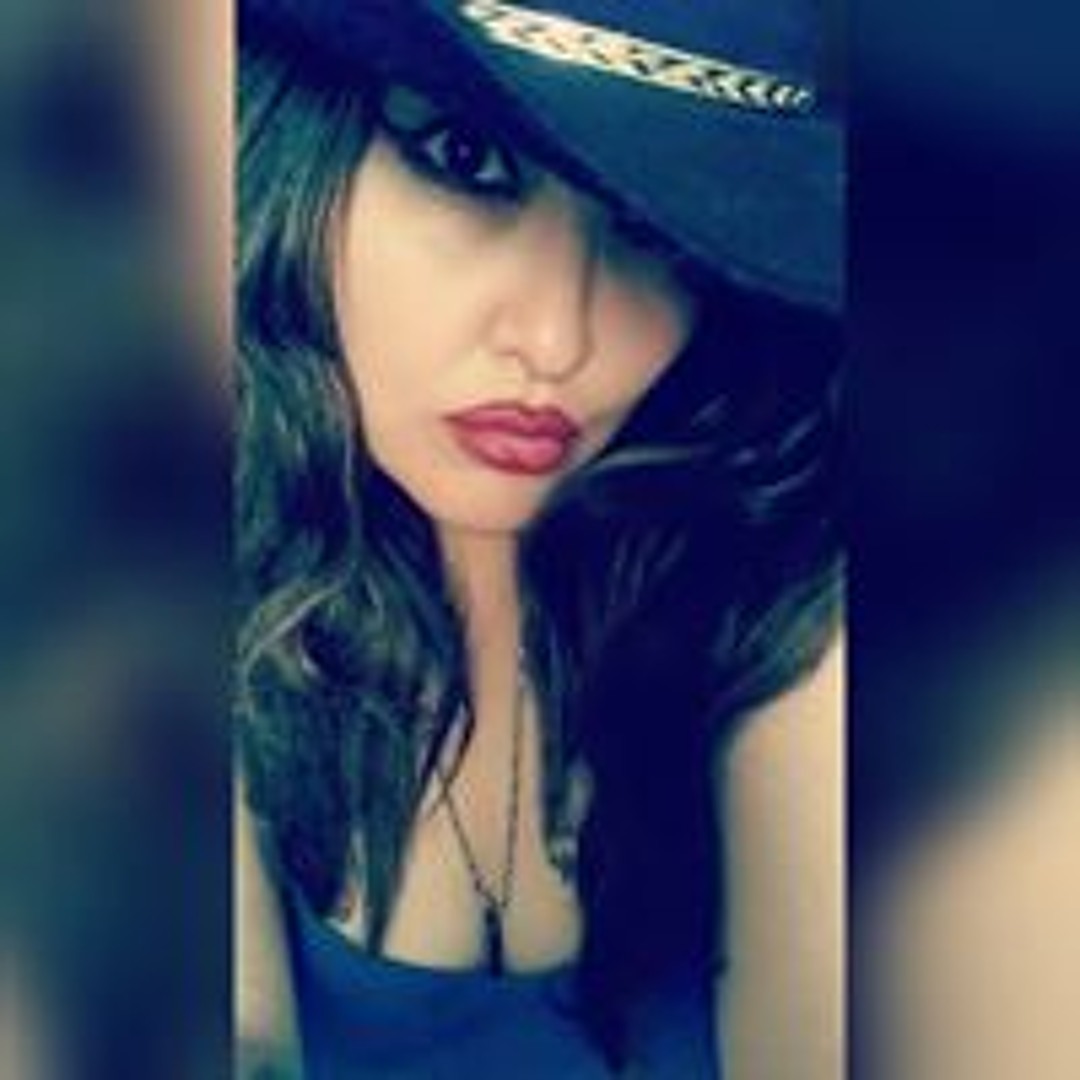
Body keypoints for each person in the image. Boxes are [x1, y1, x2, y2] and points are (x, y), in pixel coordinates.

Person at [235, 1, 843, 1076]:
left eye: (653, 230)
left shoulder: (768, 591)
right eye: (466, 159)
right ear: (293, 142)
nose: (558, 340)